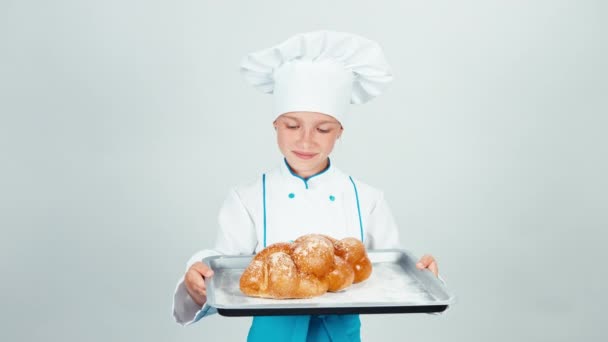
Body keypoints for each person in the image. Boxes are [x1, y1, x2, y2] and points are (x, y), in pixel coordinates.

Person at [172, 30, 440, 341]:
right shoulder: (246, 198)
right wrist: (197, 277)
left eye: (323, 129)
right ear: (275, 125)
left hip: (340, 335)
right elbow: (227, 268)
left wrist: (426, 277)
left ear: (339, 131)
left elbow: (393, 275)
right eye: (292, 125)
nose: (305, 140)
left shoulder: (367, 198)